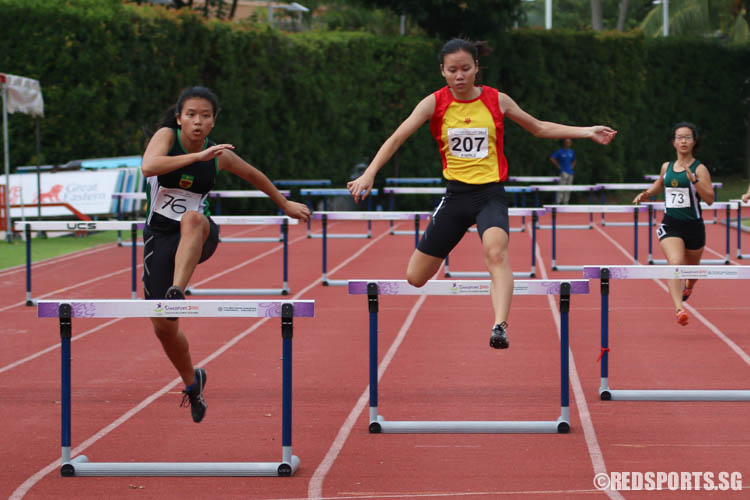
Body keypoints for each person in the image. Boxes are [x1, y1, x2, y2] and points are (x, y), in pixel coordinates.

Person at [347, 38, 617, 349]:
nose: (459, 75)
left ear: (477, 68)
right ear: (443, 72)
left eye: (465, 68)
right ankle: (493, 313)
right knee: (415, 276)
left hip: (490, 194)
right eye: (452, 70)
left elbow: (539, 127)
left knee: (496, 253)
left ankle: (499, 325)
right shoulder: (433, 103)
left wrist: (586, 131)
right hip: (455, 197)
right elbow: (397, 138)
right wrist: (369, 173)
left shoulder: (496, 100)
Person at [141, 86, 310, 423]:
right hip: (160, 238)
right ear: (179, 118)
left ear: (214, 121)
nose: (198, 122)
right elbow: (149, 166)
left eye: (205, 116)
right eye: (191, 115)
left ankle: (178, 289)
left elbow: (254, 175)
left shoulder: (219, 155)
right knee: (163, 328)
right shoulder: (166, 136)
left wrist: (285, 204)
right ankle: (192, 381)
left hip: (198, 235)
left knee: (192, 218)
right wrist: (196, 158)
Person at [633, 122, 713, 326]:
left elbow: (710, 199)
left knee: (692, 272)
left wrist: (694, 180)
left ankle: (689, 285)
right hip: (671, 225)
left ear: (694, 141)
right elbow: (661, 183)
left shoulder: (700, 168)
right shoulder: (667, 167)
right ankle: (679, 309)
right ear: (673, 142)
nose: (683, 141)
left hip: (694, 227)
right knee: (675, 263)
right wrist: (646, 194)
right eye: (679, 137)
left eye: (687, 137)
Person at [549, 138, 576, 204]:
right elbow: (552, 158)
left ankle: (565, 203)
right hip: (563, 172)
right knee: (561, 187)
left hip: (570, 172)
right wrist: (559, 166)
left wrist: (571, 167)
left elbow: (574, 160)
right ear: (564, 143)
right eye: (567, 142)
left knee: (568, 188)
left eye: (569, 142)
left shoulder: (571, 152)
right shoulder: (560, 151)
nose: (568, 143)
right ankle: (558, 202)